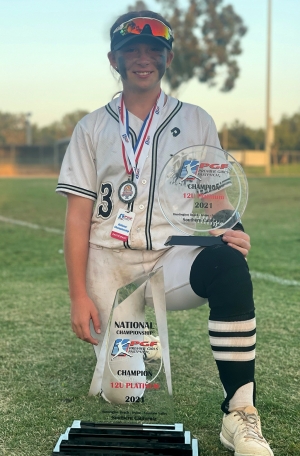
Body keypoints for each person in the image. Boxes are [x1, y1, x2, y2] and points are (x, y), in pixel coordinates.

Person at [56, 10, 274, 456]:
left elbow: (211, 199)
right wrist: (78, 294)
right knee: (123, 394)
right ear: (113, 59)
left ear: (167, 57)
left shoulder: (195, 119)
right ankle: (127, 352)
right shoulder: (92, 126)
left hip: (172, 258)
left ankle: (240, 414)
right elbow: (77, 216)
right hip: (109, 261)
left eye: (152, 49)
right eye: (130, 50)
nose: (142, 58)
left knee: (228, 263)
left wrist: (235, 230)